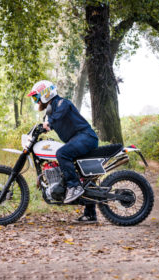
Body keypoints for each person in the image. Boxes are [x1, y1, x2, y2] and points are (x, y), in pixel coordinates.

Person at [28, 80, 99, 223]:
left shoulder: (61, 103)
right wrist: (42, 129)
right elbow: (53, 120)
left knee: (61, 153)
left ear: (46, 94)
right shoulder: (52, 110)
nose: (36, 101)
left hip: (86, 137)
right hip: (81, 139)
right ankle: (90, 214)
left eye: (37, 97)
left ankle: (73, 187)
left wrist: (49, 123)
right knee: (83, 175)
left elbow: (58, 116)